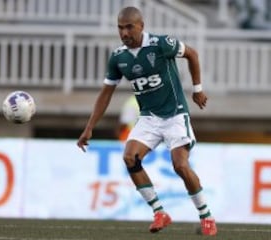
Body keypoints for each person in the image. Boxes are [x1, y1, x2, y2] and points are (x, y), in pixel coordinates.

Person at [77, 6, 217, 236]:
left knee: (180, 165)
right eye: (120, 28)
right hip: (149, 118)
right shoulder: (118, 57)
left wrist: (197, 89)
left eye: (129, 27)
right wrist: (89, 127)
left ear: (141, 25)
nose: (124, 32)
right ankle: (160, 212)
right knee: (129, 157)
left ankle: (206, 216)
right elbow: (105, 93)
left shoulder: (161, 44)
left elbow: (192, 53)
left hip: (175, 114)